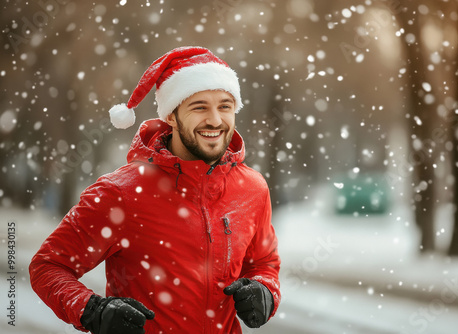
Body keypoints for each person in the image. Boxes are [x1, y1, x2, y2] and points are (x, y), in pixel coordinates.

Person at [30, 46, 281, 334]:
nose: (215, 120)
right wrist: (92, 311)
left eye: (225, 106)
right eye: (199, 107)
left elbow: (263, 263)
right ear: (171, 117)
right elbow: (48, 266)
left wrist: (265, 290)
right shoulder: (121, 192)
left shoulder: (252, 188)